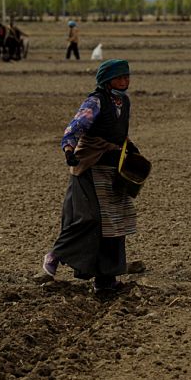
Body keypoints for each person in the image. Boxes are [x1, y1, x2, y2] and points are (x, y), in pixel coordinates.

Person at [42, 58, 139, 295]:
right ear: (107, 80)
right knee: (90, 219)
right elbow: (75, 127)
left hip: (112, 169)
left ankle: (106, 279)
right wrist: (68, 150)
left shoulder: (123, 102)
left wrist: (129, 148)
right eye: (119, 77)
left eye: (127, 77)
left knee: (114, 224)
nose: (124, 81)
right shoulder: (95, 101)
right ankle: (56, 254)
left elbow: (118, 133)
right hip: (88, 166)